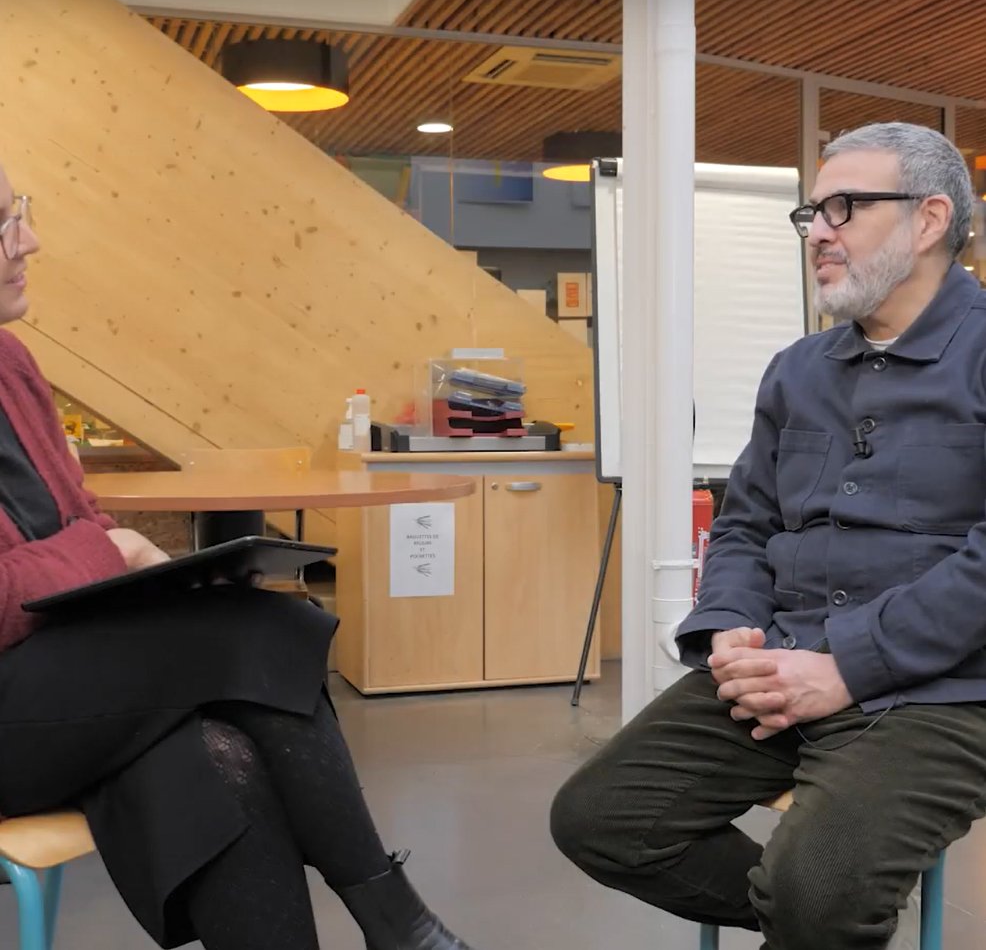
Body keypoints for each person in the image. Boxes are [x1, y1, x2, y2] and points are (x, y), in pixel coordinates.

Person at [0, 161, 479, 950]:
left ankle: (400, 926)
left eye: (22, 212)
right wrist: (105, 549)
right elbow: (76, 548)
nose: (33, 240)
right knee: (257, 629)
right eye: (6, 224)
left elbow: (78, 518)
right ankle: (400, 923)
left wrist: (133, 569)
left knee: (216, 755)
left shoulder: (13, 364)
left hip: (58, 685)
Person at [550, 121, 986, 950]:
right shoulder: (798, 369)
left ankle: (818, 914)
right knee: (600, 819)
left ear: (930, 220)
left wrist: (849, 666)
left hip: (950, 694)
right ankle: (815, 923)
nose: (819, 231)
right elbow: (746, 520)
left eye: (845, 208)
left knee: (816, 888)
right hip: (785, 661)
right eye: (813, 212)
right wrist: (730, 634)